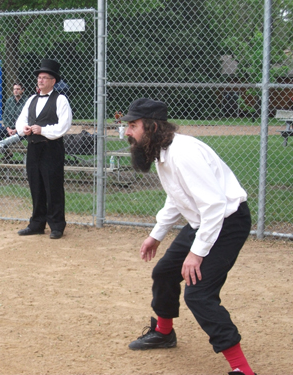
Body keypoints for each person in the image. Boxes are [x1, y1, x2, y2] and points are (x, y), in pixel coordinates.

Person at [122, 98, 256, 375]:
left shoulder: (184, 154)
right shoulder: (161, 152)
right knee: (164, 273)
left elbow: (215, 205)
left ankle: (243, 369)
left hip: (227, 222)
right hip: (203, 221)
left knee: (199, 294)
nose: (127, 132)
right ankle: (164, 333)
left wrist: (197, 253)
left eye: (133, 126)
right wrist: (156, 235)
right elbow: (177, 199)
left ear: (152, 126)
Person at [15, 59, 72, 240]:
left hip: (51, 149)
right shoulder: (31, 99)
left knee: (53, 186)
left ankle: (57, 225)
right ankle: (37, 223)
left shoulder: (61, 100)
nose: (40, 81)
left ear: (53, 81)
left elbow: (64, 126)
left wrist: (43, 130)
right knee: (36, 186)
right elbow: (21, 120)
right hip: (33, 148)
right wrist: (22, 129)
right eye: (39, 77)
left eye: (44, 78)